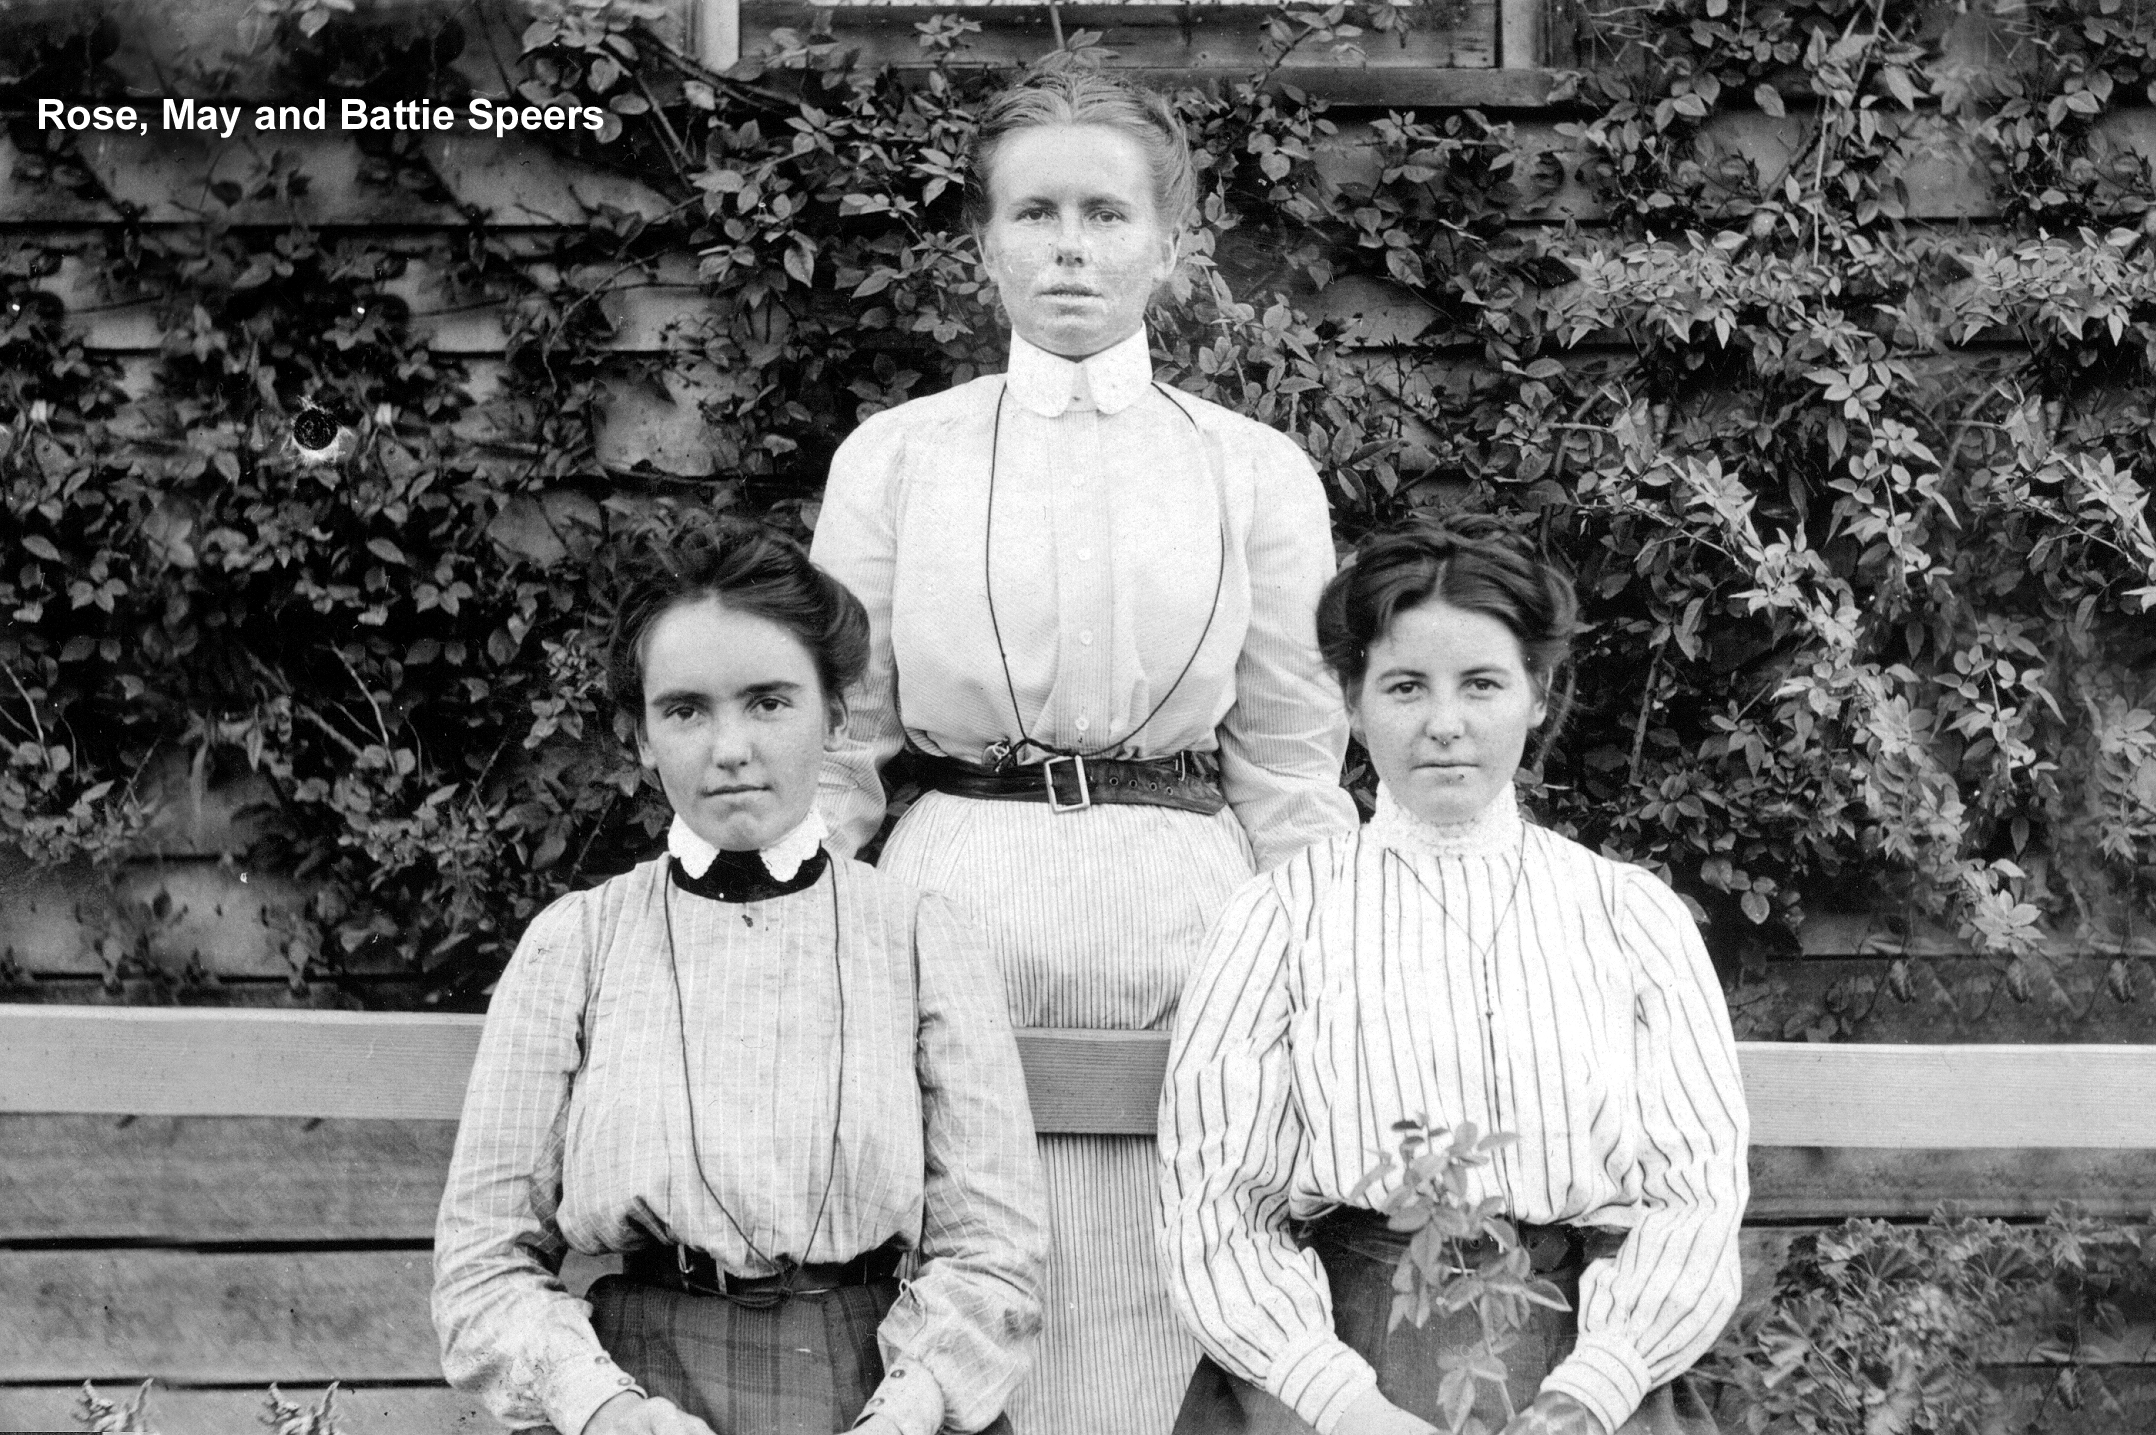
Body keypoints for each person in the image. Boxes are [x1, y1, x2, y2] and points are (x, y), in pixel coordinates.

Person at [810, 70, 1360, 1435]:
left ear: (1169, 246)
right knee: (958, 1300)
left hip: (1182, 928)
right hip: (954, 911)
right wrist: (787, 939)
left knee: (1146, 1312)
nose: (1070, 247)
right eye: (1034, 212)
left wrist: (1336, 965)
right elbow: (839, 745)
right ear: (982, 243)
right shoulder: (896, 459)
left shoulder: (1252, 470)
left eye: (1106, 214)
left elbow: (1291, 762)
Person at [433, 518, 1048, 1435]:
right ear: (642, 736)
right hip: (634, 1382)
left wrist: (906, 1411)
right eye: (686, 710)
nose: (730, 747)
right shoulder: (577, 946)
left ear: (834, 716)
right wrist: (604, 1410)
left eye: (768, 703)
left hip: (881, 1383)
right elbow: (484, 1264)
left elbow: (993, 1249)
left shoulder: (921, 939)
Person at [1157, 514, 1748, 1435]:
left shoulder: (1630, 917)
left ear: (1538, 694)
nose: (1445, 724)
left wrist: (1591, 1394)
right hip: (1341, 1362)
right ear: (1353, 702)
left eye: (1482, 683)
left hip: (1585, 1358)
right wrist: (1346, 1406)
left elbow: (1695, 1195)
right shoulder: (1280, 919)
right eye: (1404, 686)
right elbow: (1217, 1205)